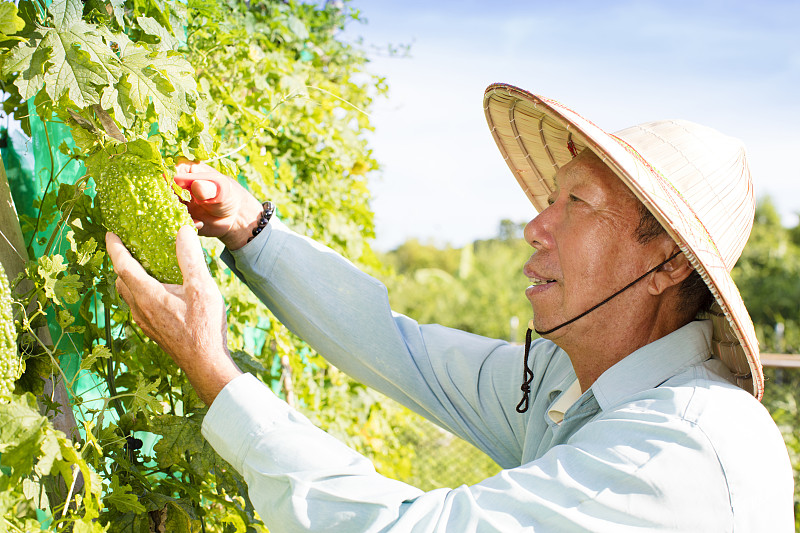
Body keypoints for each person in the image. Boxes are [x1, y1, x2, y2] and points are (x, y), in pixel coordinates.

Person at [106, 83, 794, 531]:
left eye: (574, 203)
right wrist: (250, 229)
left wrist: (213, 371)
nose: (534, 225)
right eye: (548, 197)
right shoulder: (569, 379)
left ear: (667, 261)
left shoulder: (682, 447)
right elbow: (396, 348)